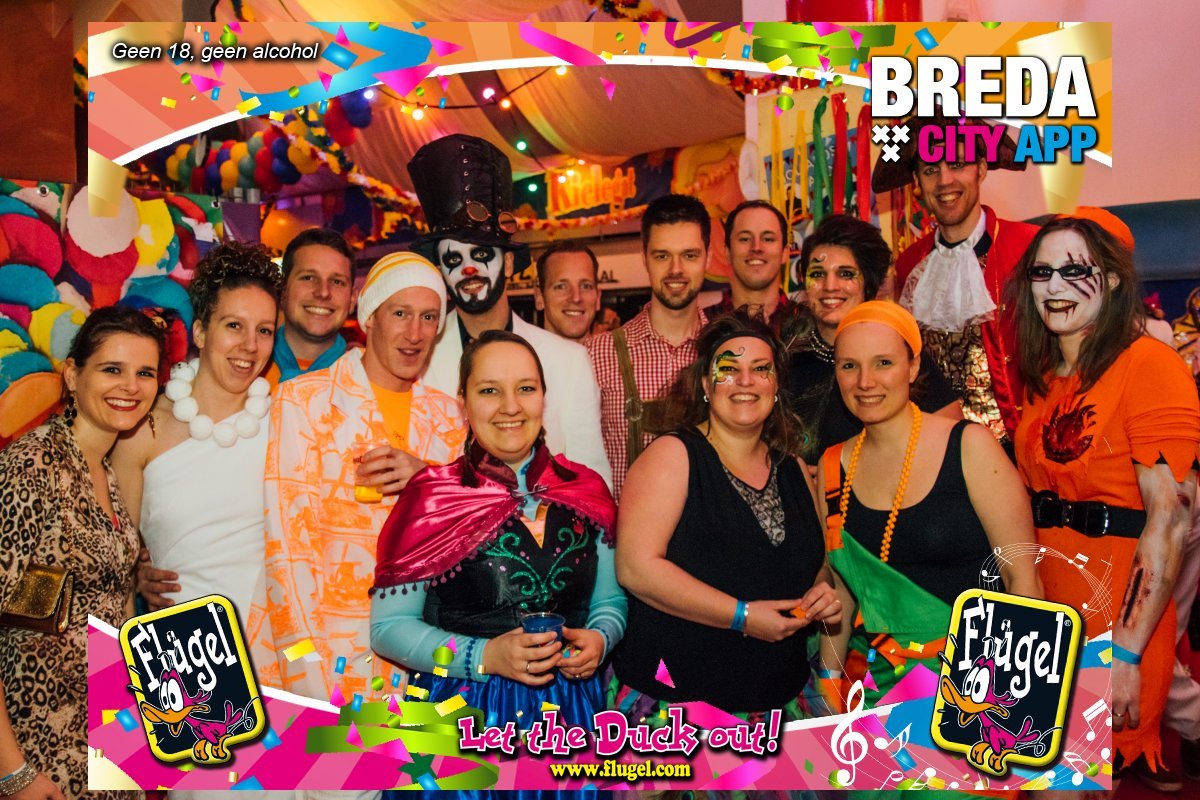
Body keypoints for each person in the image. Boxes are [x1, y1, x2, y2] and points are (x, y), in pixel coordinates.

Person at [1010, 216, 1200, 786]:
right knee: (1035, 776)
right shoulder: (1044, 375)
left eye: (1075, 270)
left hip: (1114, 610)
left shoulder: (1149, 365)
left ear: (1113, 279)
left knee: (1070, 783)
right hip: (1043, 609)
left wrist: (1126, 651)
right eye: (1042, 271)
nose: (1054, 285)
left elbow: (1169, 520)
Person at [371, 330, 622, 737]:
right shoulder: (430, 499)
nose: (510, 406)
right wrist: (484, 655)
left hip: (572, 710)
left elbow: (609, 601)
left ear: (543, 397)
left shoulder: (585, 490)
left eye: (526, 388)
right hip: (462, 712)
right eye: (489, 390)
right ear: (463, 402)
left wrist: (600, 638)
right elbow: (388, 628)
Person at [249, 251, 465, 708]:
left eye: (429, 317)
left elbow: (480, 530)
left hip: (429, 660)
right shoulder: (303, 401)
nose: (415, 333)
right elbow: (288, 551)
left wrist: (429, 479)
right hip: (330, 658)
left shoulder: (450, 415)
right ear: (369, 318)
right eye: (400, 313)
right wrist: (311, 683)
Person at [612, 311, 839, 719]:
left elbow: (817, 561)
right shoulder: (673, 455)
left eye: (761, 369)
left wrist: (821, 591)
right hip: (681, 707)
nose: (745, 381)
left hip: (780, 700)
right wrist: (742, 617)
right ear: (705, 385)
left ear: (776, 385)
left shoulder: (792, 467)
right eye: (728, 370)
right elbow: (635, 568)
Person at [817, 301, 1041, 709]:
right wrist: (829, 682)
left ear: (913, 366)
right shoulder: (832, 467)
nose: (865, 381)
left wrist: (1011, 702)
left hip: (979, 684)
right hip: (880, 692)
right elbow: (842, 593)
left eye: (883, 362)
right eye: (849, 366)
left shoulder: (969, 446)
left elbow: (1022, 579)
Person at [0, 305, 165, 800]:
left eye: (145, 373)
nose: (130, 386)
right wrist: (12, 772)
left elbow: (64, 599)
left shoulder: (106, 470)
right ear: (73, 375)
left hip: (107, 742)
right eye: (113, 369)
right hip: (41, 747)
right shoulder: (33, 465)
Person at [408, 134, 610, 482]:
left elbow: (593, 482)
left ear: (510, 263)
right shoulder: (418, 361)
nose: (469, 270)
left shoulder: (569, 362)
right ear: (440, 270)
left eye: (481, 255)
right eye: (454, 259)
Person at [116, 242, 280, 621]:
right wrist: (136, 576)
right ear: (201, 332)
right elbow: (112, 562)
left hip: (275, 640)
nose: (250, 345)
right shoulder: (144, 428)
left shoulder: (287, 424)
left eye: (265, 330)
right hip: (181, 644)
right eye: (234, 325)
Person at [872, 110, 1038, 447]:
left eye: (958, 164)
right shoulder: (908, 265)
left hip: (1019, 454)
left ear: (981, 168)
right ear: (917, 181)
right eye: (930, 169)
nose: (944, 180)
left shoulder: (1030, 248)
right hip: (933, 453)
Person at [788, 214, 960, 462]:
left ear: (868, 282)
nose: (830, 286)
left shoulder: (898, 351)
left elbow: (954, 446)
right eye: (818, 274)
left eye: (845, 274)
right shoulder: (788, 360)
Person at [586, 194, 712, 499]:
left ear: (708, 258)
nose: (676, 269)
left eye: (689, 255)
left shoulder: (726, 352)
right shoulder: (596, 354)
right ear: (644, 258)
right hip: (622, 527)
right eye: (662, 256)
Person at [264, 227, 355, 389]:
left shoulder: (367, 378)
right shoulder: (247, 368)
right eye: (308, 278)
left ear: (352, 299)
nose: (323, 292)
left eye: (337, 281)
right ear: (283, 290)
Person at [702, 200, 800, 332]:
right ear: (727, 252)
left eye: (768, 239)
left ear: (785, 253)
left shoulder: (810, 326)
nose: (756, 247)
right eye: (745, 239)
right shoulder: (702, 325)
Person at [534, 240, 603, 341]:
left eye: (586, 286)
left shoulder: (614, 350)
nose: (576, 298)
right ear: (539, 298)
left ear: (598, 298)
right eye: (561, 287)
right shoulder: (518, 350)